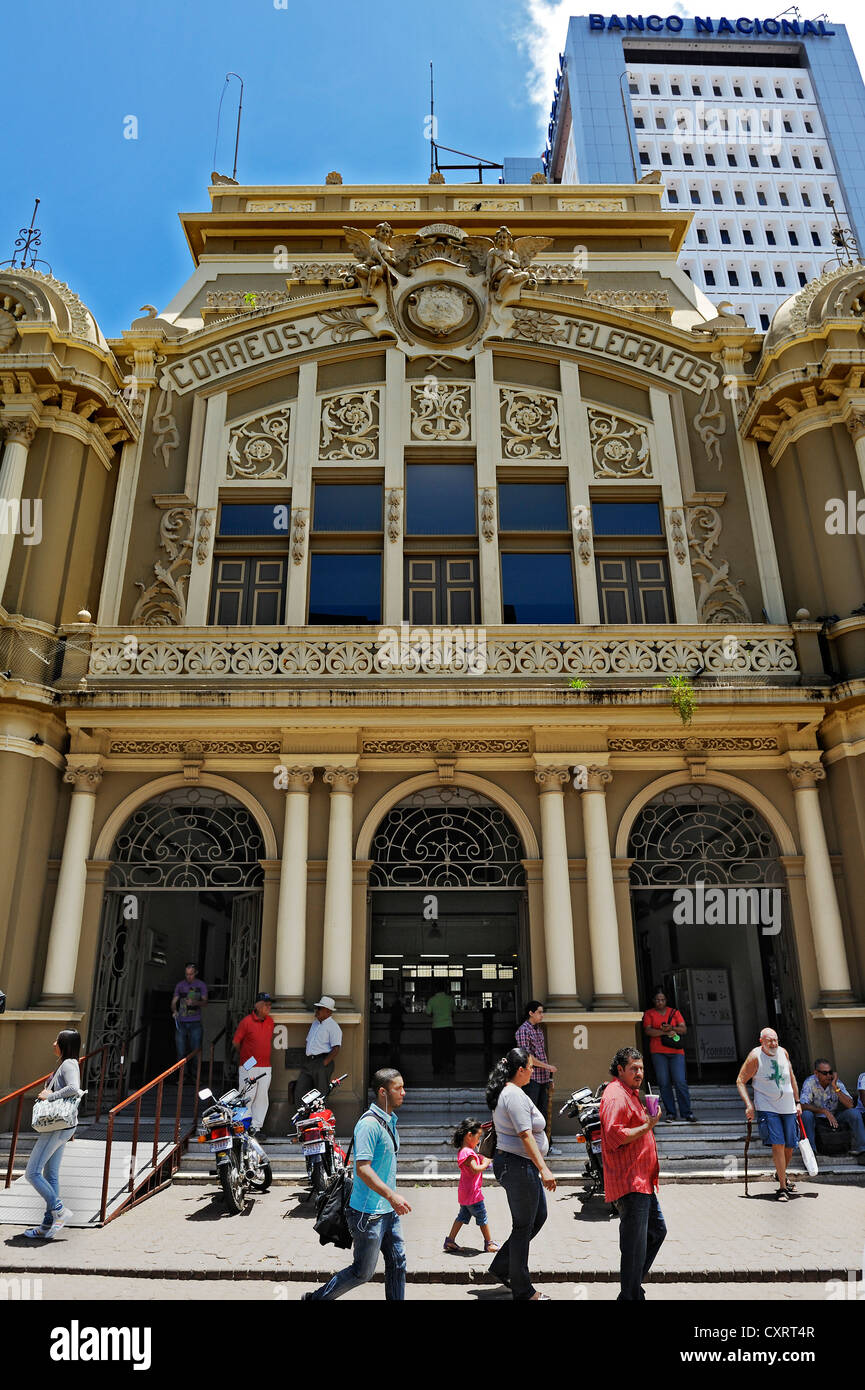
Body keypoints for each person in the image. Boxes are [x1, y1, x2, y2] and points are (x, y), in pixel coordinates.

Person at [302, 1068, 411, 1301]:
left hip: (388, 1212)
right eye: (398, 1088)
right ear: (383, 1092)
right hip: (367, 1214)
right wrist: (392, 1196)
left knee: (398, 1262)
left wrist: (390, 1201)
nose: (404, 1092)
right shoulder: (369, 1125)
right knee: (362, 1272)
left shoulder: (389, 1121)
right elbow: (362, 1168)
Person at [486, 1047, 556, 1301]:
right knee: (523, 1226)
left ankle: (502, 1267)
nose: (533, 1071)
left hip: (519, 1165)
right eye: (530, 1067)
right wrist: (544, 1169)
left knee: (538, 1216)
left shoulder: (512, 1092)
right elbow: (525, 1135)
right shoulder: (513, 1094)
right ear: (520, 1070)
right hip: (517, 1166)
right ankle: (523, 1290)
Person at [600, 1045, 666, 1301]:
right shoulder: (615, 1094)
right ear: (620, 1070)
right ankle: (629, 1294)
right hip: (630, 1182)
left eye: (641, 1068)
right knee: (633, 1246)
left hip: (644, 1182)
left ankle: (632, 1288)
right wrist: (648, 1125)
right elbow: (615, 1134)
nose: (639, 1072)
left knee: (656, 1232)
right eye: (633, 1068)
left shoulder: (631, 1092)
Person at [23, 1030, 83, 1239]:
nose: (53, 1043)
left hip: (56, 1127)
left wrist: (50, 1096)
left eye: (57, 1040)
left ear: (65, 1045)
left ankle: (59, 1210)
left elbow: (74, 1088)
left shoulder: (68, 1064)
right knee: (51, 1175)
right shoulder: (67, 1063)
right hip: (61, 1127)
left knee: (32, 1173)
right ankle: (48, 1224)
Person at [736, 1027, 802, 1200]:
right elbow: (740, 1081)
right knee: (778, 1143)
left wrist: (798, 1101)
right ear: (761, 1041)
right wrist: (749, 1105)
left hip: (788, 1107)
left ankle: (780, 1174)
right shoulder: (755, 1056)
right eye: (769, 1040)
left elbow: (792, 1077)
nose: (773, 1043)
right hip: (767, 1106)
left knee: (790, 1145)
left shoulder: (783, 1052)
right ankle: (782, 1187)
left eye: (775, 1040)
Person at [443, 1118, 498, 1255]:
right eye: (478, 1137)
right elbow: (475, 1169)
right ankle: (489, 1243)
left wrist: (481, 1158)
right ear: (469, 1135)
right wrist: (486, 1162)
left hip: (465, 1193)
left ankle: (450, 1240)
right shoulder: (468, 1153)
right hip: (473, 1194)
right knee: (482, 1217)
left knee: (462, 1216)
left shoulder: (464, 1151)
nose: (479, 1141)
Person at [641, 987, 695, 1123]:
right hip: (658, 1052)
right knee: (664, 1083)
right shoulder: (649, 1013)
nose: (660, 1002)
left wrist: (672, 1028)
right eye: (658, 1000)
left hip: (676, 1052)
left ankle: (687, 1112)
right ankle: (671, 1112)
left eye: (662, 999)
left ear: (666, 1000)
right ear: (653, 1001)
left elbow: (683, 1029)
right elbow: (648, 1031)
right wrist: (665, 1032)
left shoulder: (674, 1012)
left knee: (680, 1082)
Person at [799, 1058, 865, 1162]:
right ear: (816, 1073)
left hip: (835, 1117)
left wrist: (835, 1086)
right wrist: (823, 1111)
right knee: (806, 1115)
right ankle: (811, 1152)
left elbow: (850, 1105)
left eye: (830, 1072)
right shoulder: (810, 1082)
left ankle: (862, 1150)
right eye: (825, 1073)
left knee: (854, 1113)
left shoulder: (836, 1083)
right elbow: (802, 1105)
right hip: (817, 1118)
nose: (829, 1076)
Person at [515, 1001, 559, 1150]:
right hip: (531, 1079)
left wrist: (548, 1076)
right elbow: (527, 1057)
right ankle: (530, 1146)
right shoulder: (523, 1030)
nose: (542, 1015)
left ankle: (546, 1145)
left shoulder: (538, 1030)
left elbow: (541, 1054)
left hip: (543, 1078)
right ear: (531, 1013)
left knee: (544, 1112)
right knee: (530, 1113)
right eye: (539, 1012)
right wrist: (548, 1067)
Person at [232, 993, 274, 1134]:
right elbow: (236, 1042)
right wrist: (245, 1056)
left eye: (269, 1004)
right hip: (248, 1065)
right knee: (246, 1095)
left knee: (262, 1097)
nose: (268, 1007)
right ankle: (244, 1126)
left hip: (265, 1065)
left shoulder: (270, 1021)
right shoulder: (247, 1021)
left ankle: (256, 1127)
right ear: (257, 1005)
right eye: (265, 1004)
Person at [293, 996, 342, 1107]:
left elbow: (336, 1048)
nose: (317, 1011)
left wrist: (323, 1063)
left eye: (320, 1008)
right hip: (310, 1062)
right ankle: (304, 1120)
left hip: (322, 1062)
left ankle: (320, 1120)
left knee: (321, 1094)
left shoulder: (333, 1026)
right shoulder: (315, 1024)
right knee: (301, 1091)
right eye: (317, 1008)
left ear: (328, 1011)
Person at [171, 962, 208, 1061]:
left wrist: (194, 1003)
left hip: (195, 1022)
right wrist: (174, 1011)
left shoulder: (201, 985)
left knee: (195, 1052)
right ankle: (183, 1076)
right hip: (181, 1022)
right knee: (180, 1052)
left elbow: (205, 1003)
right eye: (187, 974)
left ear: (196, 973)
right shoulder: (180, 985)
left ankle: (195, 1076)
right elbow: (173, 1002)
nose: (189, 976)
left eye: (191, 974)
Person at [425, 987, 456, 1077]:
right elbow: (454, 1012)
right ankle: (449, 1065)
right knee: (449, 1048)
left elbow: (428, 1013)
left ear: (435, 990)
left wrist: (436, 1015)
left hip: (436, 1028)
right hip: (448, 1026)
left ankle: (437, 1068)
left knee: (437, 1048)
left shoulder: (432, 1000)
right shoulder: (450, 999)